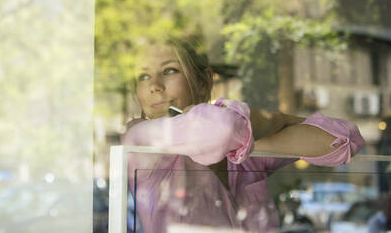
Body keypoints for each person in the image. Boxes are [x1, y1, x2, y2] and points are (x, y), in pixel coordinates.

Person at [121, 38, 364, 233]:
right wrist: (277, 120)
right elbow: (222, 129)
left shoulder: (245, 143)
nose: (154, 85)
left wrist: (273, 121)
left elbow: (343, 141)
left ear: (204, 80)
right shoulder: (140, 138)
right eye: (143, 76)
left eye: (169, 70)